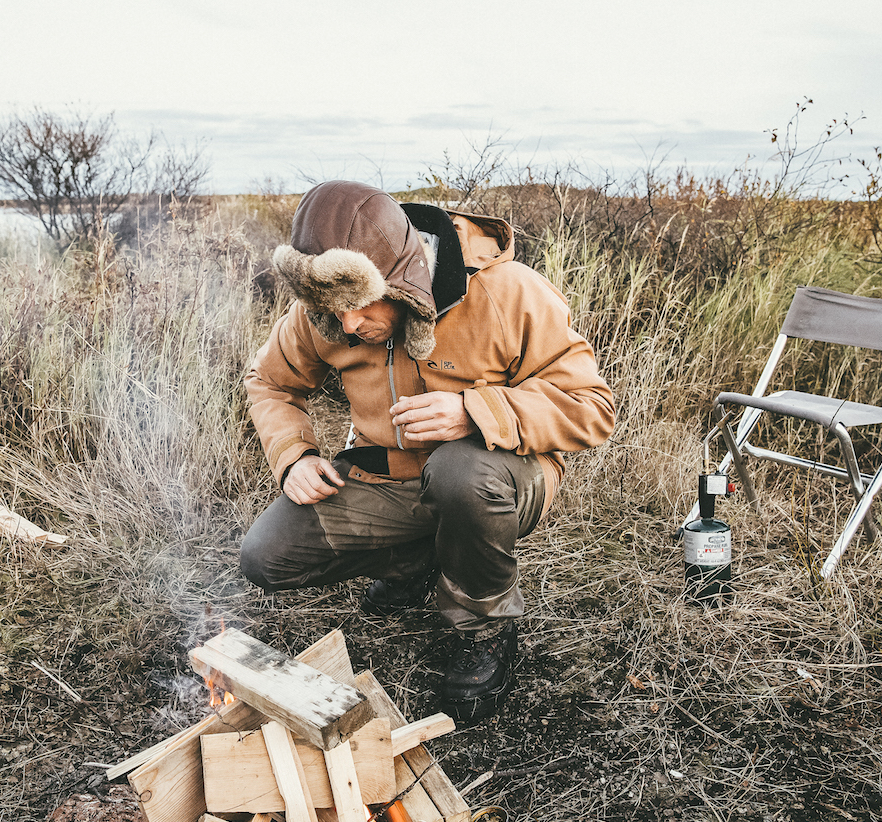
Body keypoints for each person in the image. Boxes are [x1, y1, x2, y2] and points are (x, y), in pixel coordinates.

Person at [240, 180, 616, 723]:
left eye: (359, 305)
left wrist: (473, 411)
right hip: (387, 480)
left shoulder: (507, 291)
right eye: (332, 309)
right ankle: (422, 561)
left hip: (501, 475)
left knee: (460, 471)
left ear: (400, 279)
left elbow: (591, 406)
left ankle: (485, 627)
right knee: (266, 555)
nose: (347, 326)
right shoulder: (326, 313)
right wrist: (294, 455)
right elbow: (270, 383)